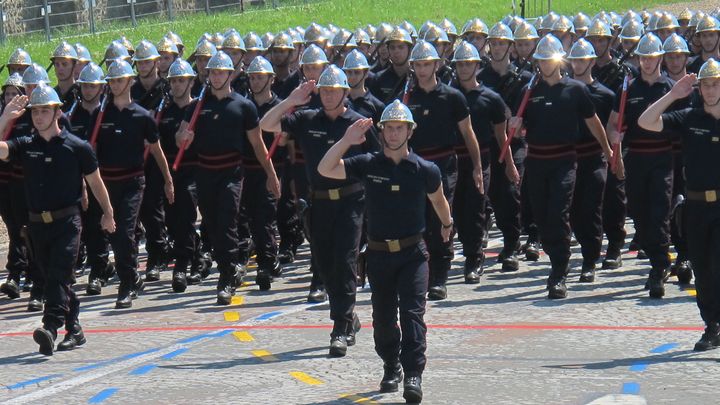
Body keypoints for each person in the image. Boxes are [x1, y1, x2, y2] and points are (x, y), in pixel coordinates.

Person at [318, 100, 451, 404]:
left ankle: (413, 373)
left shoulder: (424, 169)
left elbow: (439, 200)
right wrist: (346, 141)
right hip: (378, 254)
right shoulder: (368, 164)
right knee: (383, 318)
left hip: (413, 253)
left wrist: (447, 223)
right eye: (388, 128)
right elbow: (325, 168)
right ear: (381, 131)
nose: (393, 134)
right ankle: (391, 364)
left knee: (412, 314)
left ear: (410, 131)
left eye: (399, 128)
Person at [260, 65, 379, 357]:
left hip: (351, 200)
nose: (327, 96)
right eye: (323, 91)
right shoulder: (307, 118)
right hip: (318, 201)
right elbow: (267, 124)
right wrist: (291, 101)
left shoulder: (358, 124)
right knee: (325, 265)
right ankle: (348, 315)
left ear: (344, 93)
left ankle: (339, 327)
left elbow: (378, 161)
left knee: (345, 259)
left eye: (333, 91)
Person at [0, 84, 115, 355]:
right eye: (34, 112)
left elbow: (96, 184)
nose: (38, 116)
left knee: (59, 275)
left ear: (56, 112)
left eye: (44, 111)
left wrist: (108, 213)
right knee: (58, 279)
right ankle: (74, 328)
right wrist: (5, 118)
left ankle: (50, 327)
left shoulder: (77, 147)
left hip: (68, 223)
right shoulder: (26, 145)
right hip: (37, 225)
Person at [508, 34, 613, 299]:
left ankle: (559, 271)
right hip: (537, 161)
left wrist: (607, 149)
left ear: (559, 61)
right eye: (541, 60)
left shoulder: (575, 90)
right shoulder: (529, 93)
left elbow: (593, 122)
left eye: (549, 59)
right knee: (542, 219)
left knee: (558, 214)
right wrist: (517, 127)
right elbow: (521, 127)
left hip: (565, 161)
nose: (544, 65)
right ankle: (556, 258)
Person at [175, 51, 280, 305]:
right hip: (205, 172)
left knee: (227, 220)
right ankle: (228, 266)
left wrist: (271, 175)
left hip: (232, 172)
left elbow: (257, 145)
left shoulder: (243, 106)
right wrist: (183, 138)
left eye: (221, 72)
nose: (216, 76)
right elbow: (180, 140)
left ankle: (226, 274)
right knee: (212, 224)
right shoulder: (196, 107)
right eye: (212, 72)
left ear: (231, 75)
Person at [637, 59, 720, 351]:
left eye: (716, 84)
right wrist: (674, 94)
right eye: (706, 85)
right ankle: (712, 326)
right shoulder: (690, 117)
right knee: (703, 270)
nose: (710, 91)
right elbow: (646, 122)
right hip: (696, 207)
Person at [88, 59, 174, 308]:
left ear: (130, 82)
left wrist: (168, 180)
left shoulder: (142, 116)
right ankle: (133, 276)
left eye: (119, 80)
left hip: (132, 182)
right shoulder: (101, 115)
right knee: (112, 233)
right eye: (111, 81)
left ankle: (127, 283)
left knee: (124, 231)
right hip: (107, 184)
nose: (115, 85)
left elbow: (157, 151)